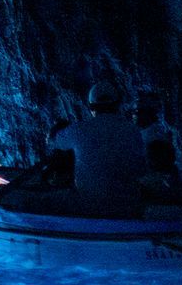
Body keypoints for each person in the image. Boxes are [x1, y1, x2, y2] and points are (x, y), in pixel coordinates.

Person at [48, 80, 147, 214]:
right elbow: (141, 170)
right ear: (117, 105)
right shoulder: (133, 130)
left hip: (88, 205)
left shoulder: (79, 129)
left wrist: (59, 127)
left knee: (44, 199)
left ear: (91, 106)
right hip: (127, 205)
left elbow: (53, 140)